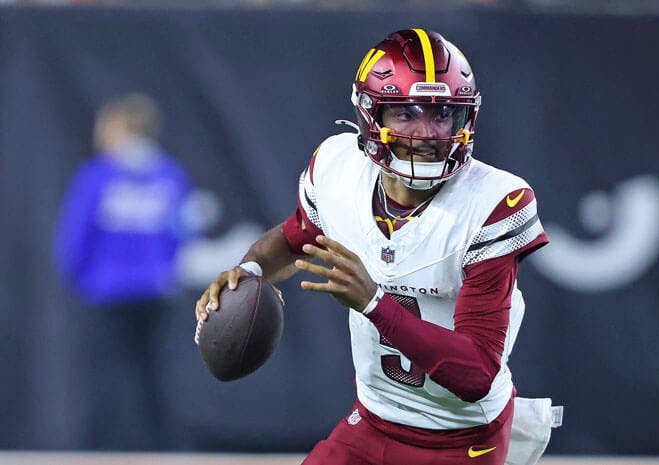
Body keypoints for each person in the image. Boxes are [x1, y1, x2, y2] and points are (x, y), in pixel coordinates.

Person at [195, 29, 560, 465]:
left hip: (460, 440)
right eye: (406, 113)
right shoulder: (337, 168)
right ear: (373, 116)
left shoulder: (493, 202)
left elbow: (477, 373)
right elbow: (295, 238)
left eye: (443, 113)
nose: (427, 133)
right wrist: (249, 270)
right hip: (372, 420)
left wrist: (373, 302)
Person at [54, 93, 197, 449]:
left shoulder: (99, 174)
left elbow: (75, 237)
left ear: (121, 128)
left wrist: (78, 276)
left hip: (108, 293)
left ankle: (99, 448)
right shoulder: (169, 174)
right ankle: (160, 447)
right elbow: (185, 235)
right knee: (154, 374)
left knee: (106, 376)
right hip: (155, 292)